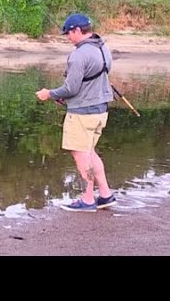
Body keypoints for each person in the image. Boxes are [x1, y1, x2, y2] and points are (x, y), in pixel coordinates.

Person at [35, 13, 117, 212]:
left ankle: (87, 200)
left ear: (78, 30)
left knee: (81, 155)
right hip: (100, 111)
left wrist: (50, 94)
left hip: (82, 114)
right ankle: (105, 195)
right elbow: (91, 79)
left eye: (69, 33)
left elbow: (71, 88)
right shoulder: (103, 47)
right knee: (90, 152)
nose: (68, 38)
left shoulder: (79, 54)